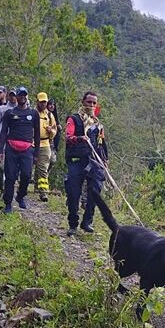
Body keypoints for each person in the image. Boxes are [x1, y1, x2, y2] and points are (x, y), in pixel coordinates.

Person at [64, 91, 109, 236]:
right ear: (83, 102)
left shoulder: (98, 125)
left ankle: (87, 221)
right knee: (73, 192)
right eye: (89, 102)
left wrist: (105, 160)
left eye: (94, 103)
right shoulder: (74, 119)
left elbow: (102, 144)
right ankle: (73, 224)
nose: (91, 105)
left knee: (96, 190)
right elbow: (68, 137)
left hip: (94, 161)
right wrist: (79, 138)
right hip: (76, 159)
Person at [0, 86, 40, 213]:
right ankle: (8, 204)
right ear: (16, 97)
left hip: (27, 149)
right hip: (11, 148)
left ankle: (20, 196)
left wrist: (36, 153)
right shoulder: (9, 113)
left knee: (26, 175)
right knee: (10, 176)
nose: (22, 97)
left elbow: (37, 134)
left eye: (24, 95)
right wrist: (0, 150)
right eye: (20, 95)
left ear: (27, 96)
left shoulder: (33, 114)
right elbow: (4, 132)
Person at [35, 92, 56, 201]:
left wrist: (50, 131)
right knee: (27, 168)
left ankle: (43, 192)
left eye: (45, 102)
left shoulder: (49, 115)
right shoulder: (32, 113)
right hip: (31, 144)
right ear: (37, 101)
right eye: (41, 102)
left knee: (43, 168)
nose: (43, 104)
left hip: (45, 144)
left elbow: (54, 131)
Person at [46, 99, 62, 170]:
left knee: (52, 160)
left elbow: (58, 134)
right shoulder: (44, 115)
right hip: (45, 141)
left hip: (53, 143)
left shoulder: (55, 118)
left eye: (53, 105)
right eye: (50, 104)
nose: (52, 106)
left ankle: (46, 175)